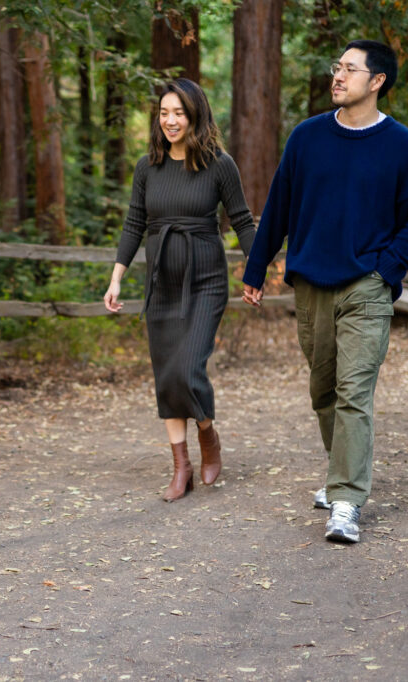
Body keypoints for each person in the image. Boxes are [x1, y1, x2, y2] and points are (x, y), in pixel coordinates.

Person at [241, 40, 408, 543]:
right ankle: (339, 473)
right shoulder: (307, 138)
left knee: (354, 393)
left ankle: (346, 501)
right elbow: (279, 204)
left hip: (367, 287)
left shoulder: (406, 147)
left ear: (377, 82)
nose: (338, 76)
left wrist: (385, 270)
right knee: (323, 391)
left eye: (351, 69)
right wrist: (256, 268)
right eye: (337, 67)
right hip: (311, 284)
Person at [104, 78, 256, 502]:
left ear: (195, 116)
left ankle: (208, 434)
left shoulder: (219, 165)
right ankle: (181, 465)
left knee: (186, 369)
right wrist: (116, 277)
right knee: (165, 375)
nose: (170, 121)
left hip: (205, 281)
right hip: (161, 285)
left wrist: (255, 271)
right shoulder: (146, 167)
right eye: (164, 113)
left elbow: (242, 220)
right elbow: (134, 224)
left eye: (179, 113)